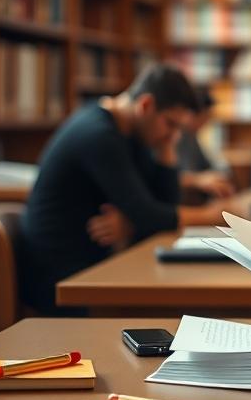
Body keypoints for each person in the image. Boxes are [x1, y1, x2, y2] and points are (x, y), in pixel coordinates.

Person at [21, 64, 240, 313]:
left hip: (96, 266)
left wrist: (166, 150)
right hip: (62, 279)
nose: (175, 136)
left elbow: (159, 206)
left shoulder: (131, 131)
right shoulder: (98, 134)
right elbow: (148, 213)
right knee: (179, 306)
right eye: (171, 124)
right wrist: (213, 216)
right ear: (146, 105)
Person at [176, 85, 237, 204]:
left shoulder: (192, 137)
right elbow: (165, 178)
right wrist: (198, 180)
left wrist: (220, 174)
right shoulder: (175, 136)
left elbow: (208, 166)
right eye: (204, 118)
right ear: (190, 115)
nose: (206, 123)